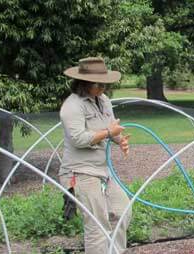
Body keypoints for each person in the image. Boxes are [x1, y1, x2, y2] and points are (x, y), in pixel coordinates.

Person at [59, 57, 132, 254]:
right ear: (85, 84)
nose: (103, 89)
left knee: (121, 211)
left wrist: (120, 140)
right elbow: (79, 139)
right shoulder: (72, 106)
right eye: (99, 85)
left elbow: (110, 128)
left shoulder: (104, 101)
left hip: (104, 169)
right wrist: (108, 133)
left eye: (105, 84)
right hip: (80, 171)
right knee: (97, 225)